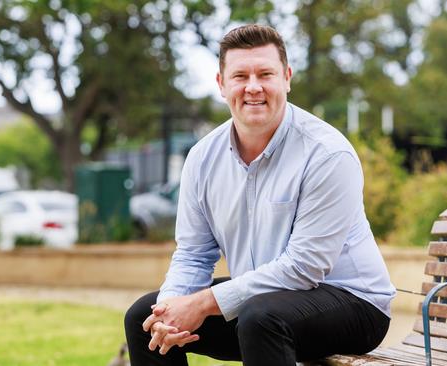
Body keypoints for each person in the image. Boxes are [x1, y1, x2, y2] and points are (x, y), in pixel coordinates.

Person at [124, 24, 396, 366]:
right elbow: (193, 254)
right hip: (263, 301)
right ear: (222, 85)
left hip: (354, 303)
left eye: (265, 74)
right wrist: (170, 309)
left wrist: (202, 303)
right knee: (144, 320)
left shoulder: (327, 154)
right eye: (240, 76)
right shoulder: (203, 158)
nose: (253, 87)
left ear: (286, 78)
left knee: (260, 318)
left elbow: (304, 267)